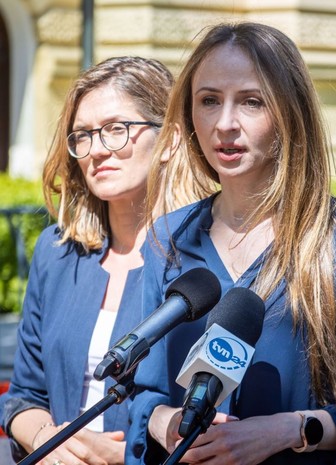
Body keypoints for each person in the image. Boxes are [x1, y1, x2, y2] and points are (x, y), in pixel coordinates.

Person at [126, 22, 336, 465]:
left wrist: (290, 430)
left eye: (251, 101)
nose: (225, 124)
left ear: (289, 112)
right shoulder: (168, 237)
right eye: (209, 101)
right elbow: (143, 392)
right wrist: (163, 421)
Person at [0, 56, 195, 465]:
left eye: (116, 129)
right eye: (83, 135)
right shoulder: (57, 252)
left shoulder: (204, 263)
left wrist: (128, 454)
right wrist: (48, 441)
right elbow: (23, 397)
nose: (97, 150)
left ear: (170, 139)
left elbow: (222, 418)